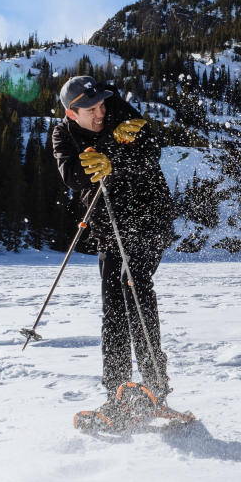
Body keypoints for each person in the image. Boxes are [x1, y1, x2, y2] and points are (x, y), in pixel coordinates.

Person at [52, 75, 176, 413]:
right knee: (113, 306)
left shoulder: (117, 109)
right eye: (91, 109)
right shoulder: (63, 133)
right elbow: (71, 176)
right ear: (71, 112)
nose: (101, 112)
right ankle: (117, 391)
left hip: (149, 214)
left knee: (133, 286)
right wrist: (107, 151)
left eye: (102, 104)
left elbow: (152, 151)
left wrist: (117, 156)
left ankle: (155, 387)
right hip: (109, 224)